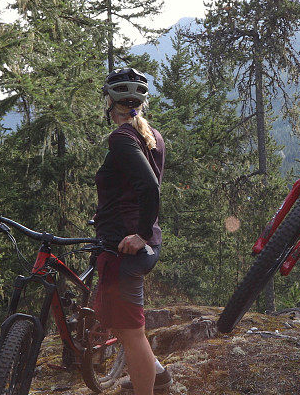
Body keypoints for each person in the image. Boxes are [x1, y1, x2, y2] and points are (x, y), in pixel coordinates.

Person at [94, 67, 171, 394]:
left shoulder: (122, 137)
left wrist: (138, 233)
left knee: (131, 332)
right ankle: (157, 374)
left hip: (128, 248)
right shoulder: (150, 135)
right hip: (135, 244)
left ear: (111, 103)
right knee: (120, 322)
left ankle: (148, 384)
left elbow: (149, 187)